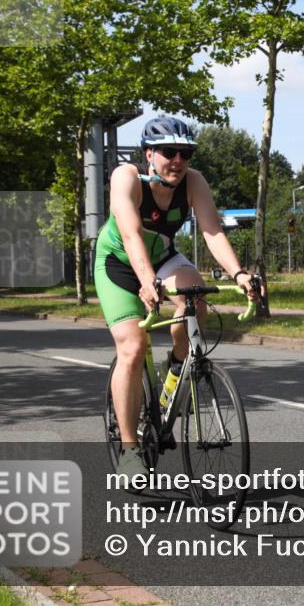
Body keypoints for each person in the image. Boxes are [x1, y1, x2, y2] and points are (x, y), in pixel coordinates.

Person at [94, 116, 260, 478]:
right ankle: (129, 448)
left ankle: (175, 375)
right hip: (119, 263)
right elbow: (131, 233)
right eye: (170, 152)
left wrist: (239, 273)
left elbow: (212, 231)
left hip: (164, 257)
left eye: (185, 153)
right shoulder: (127, 178)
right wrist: (146, 280)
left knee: (197, 301)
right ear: (149, 154)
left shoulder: (193, 181)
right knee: (133, 348)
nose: (179, 160)